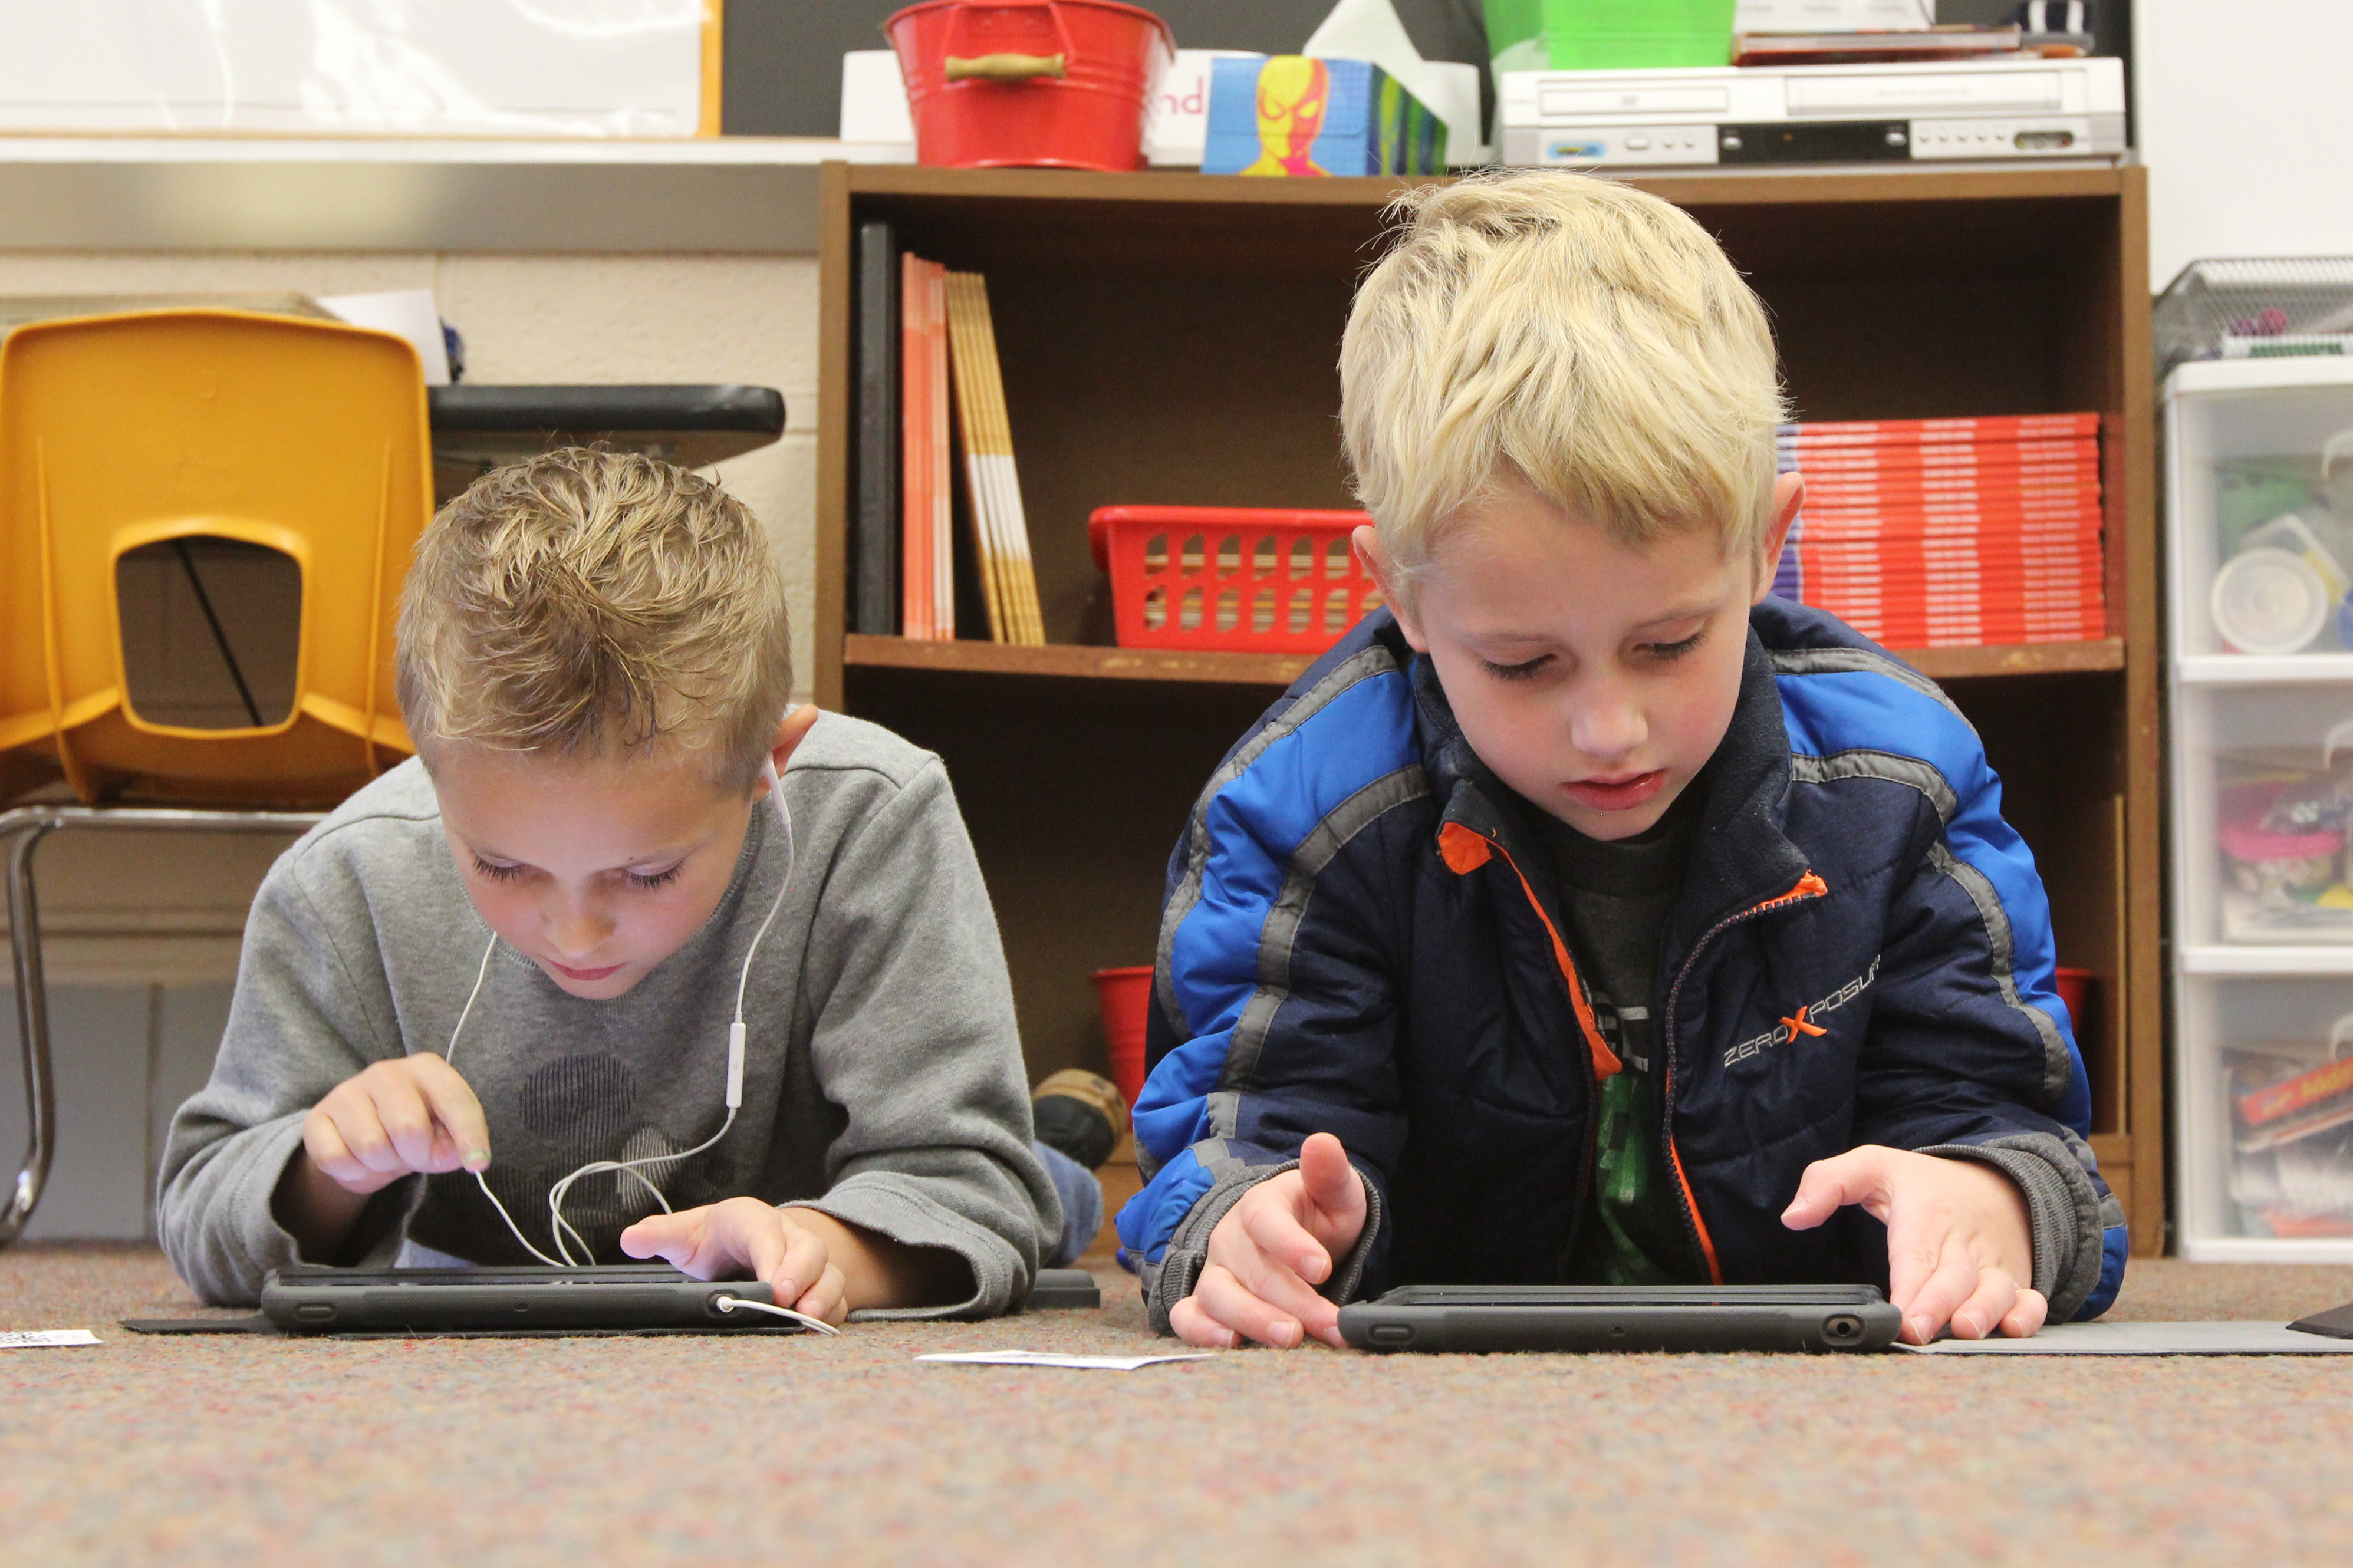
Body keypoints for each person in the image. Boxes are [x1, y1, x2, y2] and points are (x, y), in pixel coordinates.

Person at [1116, 171, 2128, 1350]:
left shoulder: (1900, 781)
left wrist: (1989, 1195)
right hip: (1430, 1426)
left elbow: (2009, 1123)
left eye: (1666, 644)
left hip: (1817, 1410)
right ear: (1400, 594)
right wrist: (1250, 1223)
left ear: (1764, 548)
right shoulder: (1304, 810)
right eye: (1522, 663)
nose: (1610, 728)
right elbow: (1239, 1131)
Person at [159, 447, 1092, 1320]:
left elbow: (976, 1192)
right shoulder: (350, 874)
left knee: (1052, 1190)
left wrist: (819, 1246)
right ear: (431, 771)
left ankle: (1062, 1138)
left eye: (645, 874)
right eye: (501, 865)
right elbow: (203, 1209)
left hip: (836, 1200)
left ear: (772, 763)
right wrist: (328, 1168)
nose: (574, 934)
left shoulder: (870, 817)